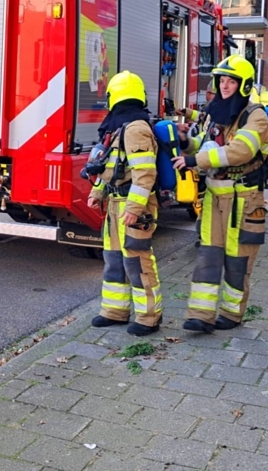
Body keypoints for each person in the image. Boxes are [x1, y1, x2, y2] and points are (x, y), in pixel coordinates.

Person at [172, 55, 268, 333]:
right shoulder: (217, 113)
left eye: (231, 81)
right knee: (208, 256)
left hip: (244, 201)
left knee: (237, 260)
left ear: (244, 85)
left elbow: (240, 151)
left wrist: (196, 162)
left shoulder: (256, 116)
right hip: (214, 197)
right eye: (222, 81)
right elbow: (206, 146)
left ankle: (231, 315)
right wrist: (186, 143)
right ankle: (200, 316)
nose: (225, 86)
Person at [86, 71, 163, 337]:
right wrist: (98, 191)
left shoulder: (136, 128)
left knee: (138, 261)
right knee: (114, 259)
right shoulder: (119, 127)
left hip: (133, 205)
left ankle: (148, 317)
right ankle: (114, 311)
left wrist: (134, 208)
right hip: (116, 203)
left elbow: (145, 173)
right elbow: (110, 167)